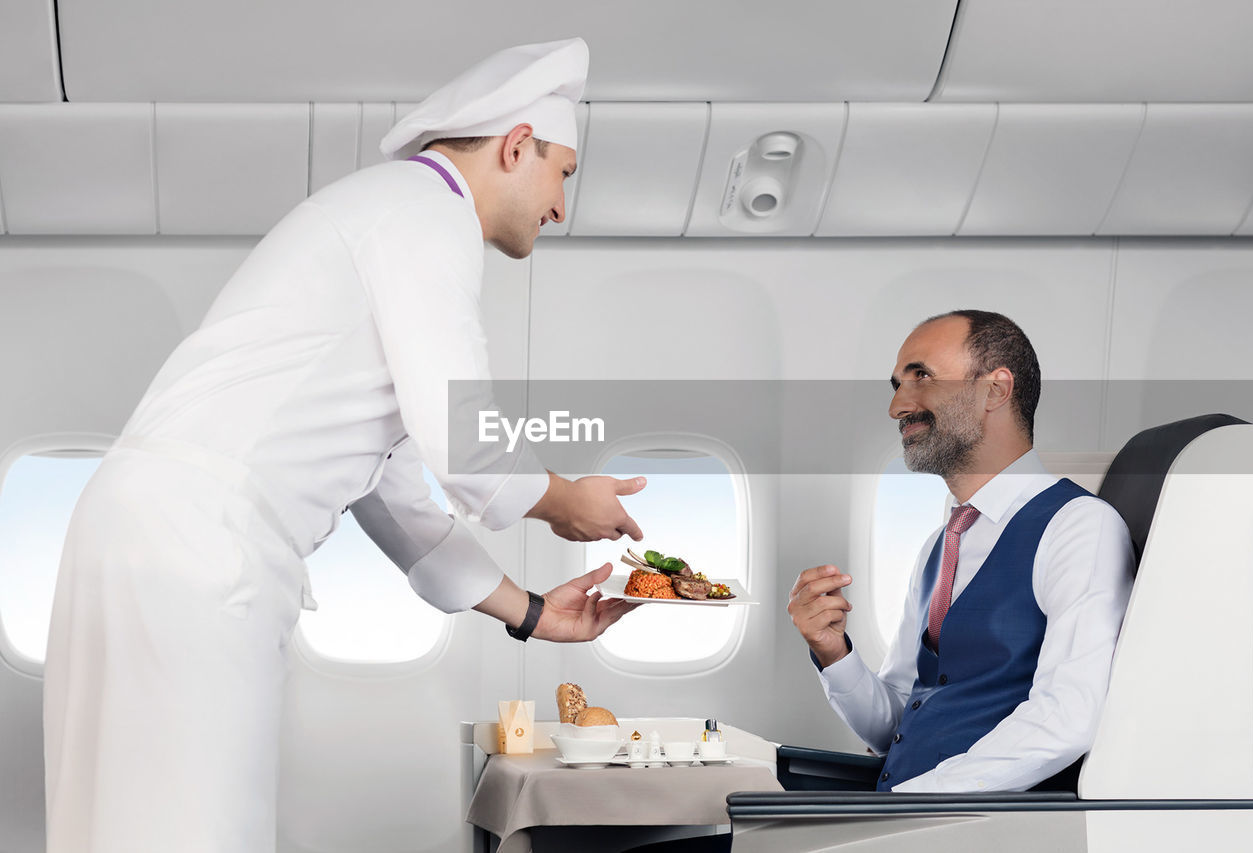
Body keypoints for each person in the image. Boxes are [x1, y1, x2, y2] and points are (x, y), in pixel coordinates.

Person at [44, 38, 643, 852]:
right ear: (515, 147)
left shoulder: (386, 215)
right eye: (562, 173)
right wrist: (568, 499)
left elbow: (398, 502)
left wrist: (535, 613)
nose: (560, 206)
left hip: (143, 533)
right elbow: (463, 444)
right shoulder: (427, 217)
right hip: (198, 550)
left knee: (113, 823)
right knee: (196, 829)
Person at [788, 310, 1134, 792]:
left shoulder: (1077, 527)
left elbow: (1066, 719)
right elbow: (899, 725)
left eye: (921, 377)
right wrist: (832, 651)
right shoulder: (942, 542)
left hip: (972, 825)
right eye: (896, 385)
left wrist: (898, 809)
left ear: (995, 389)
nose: (896, 407)